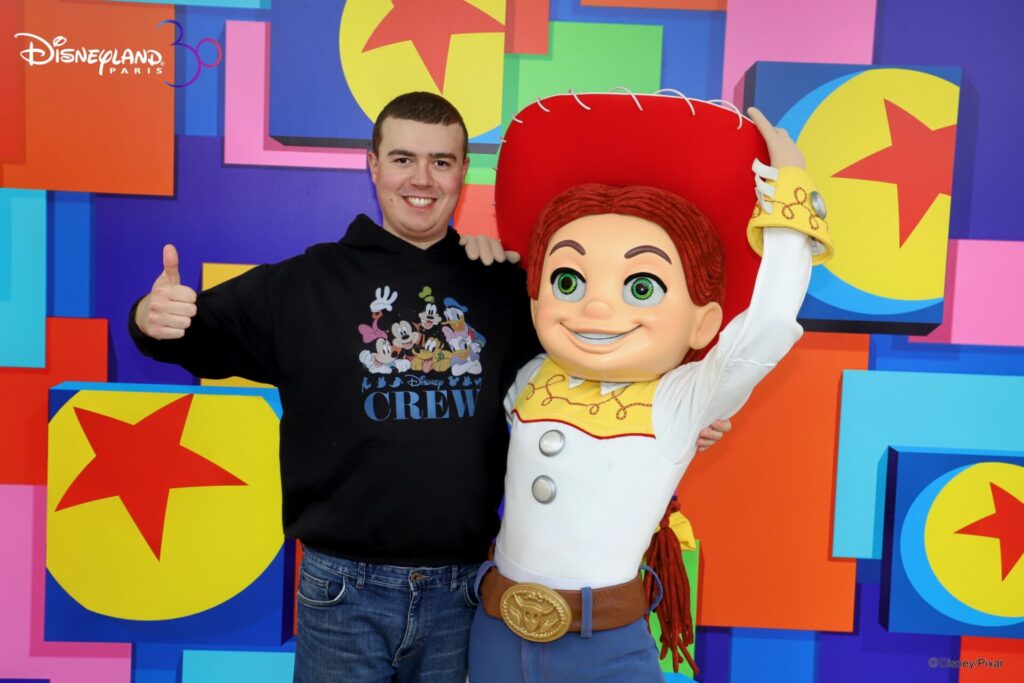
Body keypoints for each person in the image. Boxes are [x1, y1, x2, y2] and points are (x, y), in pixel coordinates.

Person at [129, 91, 729, 682]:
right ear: (373, 165)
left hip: (462, 592)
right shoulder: (303, 285)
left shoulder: (502, 284)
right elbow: (191, 335)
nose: (422, 179)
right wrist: (149, 318)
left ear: (464, 172)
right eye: (403, 159)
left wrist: (669, 410)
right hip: (343, 591)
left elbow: (591, 369)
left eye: (441, 161)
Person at [467, 96, 833, 681]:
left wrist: (791, 193)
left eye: (641, 287)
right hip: (493, 633)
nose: (596, 307)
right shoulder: (528, 375)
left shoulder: (680, 400)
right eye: (568, 280)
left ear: (704, 323)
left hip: (603, 646)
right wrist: (474, 263)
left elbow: (765, 326)